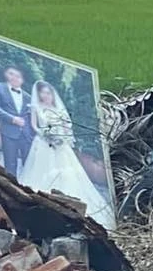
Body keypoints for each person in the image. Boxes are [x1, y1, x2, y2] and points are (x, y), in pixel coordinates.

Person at [18, 81, 116, 229]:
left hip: (60, 145)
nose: (46, 96)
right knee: (40, 172)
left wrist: (61, 137)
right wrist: (44, 133)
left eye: (48, 93)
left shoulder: (59, 110)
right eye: (43, 93)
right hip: (43, 144)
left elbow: (66, 127)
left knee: (66, 173)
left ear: (52, 94)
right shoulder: (36, 108)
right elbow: (34, 125)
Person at [0, 66, 34, 176]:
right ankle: (10, 188)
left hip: (26, 135)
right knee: (10, 164)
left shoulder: (28, 96)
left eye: (18, 76)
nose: (14, 78)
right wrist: (12, 119)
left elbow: (31, 116)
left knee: (29, 163)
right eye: (11, 74)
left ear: (22, 80)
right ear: (6, 74)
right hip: (8, 132)